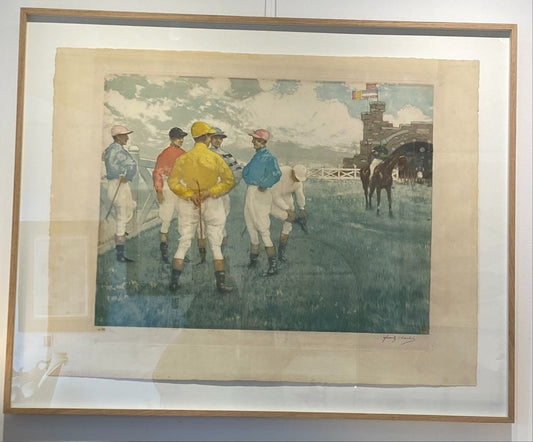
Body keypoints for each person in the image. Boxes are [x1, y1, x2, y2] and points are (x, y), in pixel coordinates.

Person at [167, 121, 235, 293]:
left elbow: (173, 182)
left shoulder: (183, 159)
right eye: (210, 136)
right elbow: (229, 181)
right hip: (211, 202)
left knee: (184, 242)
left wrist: (189, 194)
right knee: (216, 245)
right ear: (206, 137)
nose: (211, 139)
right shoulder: (215, 158)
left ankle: (174, 283)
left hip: (189, 202)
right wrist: (210, 191)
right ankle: (220, 285)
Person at [242, 129, 282, 276]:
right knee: (251, 226)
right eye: (253, 139)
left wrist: (264, 183)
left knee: (263, 229)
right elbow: (246, 172)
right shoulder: (256, 156)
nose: (253, 141)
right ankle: (253, 261)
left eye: (256, 139)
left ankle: (273, 266)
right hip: (250, 192)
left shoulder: (269, 157)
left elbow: (276, 174)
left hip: (260, 193)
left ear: (263, 142)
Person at [152, 127, 188, 262]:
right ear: (172, 139)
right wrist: (159, 191)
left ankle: (182, 252)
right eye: (178, 138)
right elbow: (157, 173)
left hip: (181, 187)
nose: (181, 140)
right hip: (168, 187)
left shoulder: (184, 154)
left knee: (184, 218)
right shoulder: (165, 154)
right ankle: (164, 253)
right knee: (166, 219)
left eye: (182, 138)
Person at [103, 124, 138, 262]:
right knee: (122, 219)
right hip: (120, 185)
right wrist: (127, 175)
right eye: (125, 135)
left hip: (111, 185)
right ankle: (120, 254)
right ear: (118, 137)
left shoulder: (109, 149)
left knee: (122, 215)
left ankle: (120, 240)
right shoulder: (119, 151)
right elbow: (132, 165)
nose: (127, 138)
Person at [208, 127, 243, 249]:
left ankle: (221, 251)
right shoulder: (205, 154)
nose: (218, 141)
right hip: (208, 193)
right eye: (215, 138)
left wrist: (226, 188)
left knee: (222, 221)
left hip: (222, 193)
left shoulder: (226, 155)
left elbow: (238, 173)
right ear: (210, 139)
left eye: (220, 138)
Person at [270, 164, 308, 262]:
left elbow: (300, 194)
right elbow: (276, 197)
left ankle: (281, 255)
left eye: (299, 179)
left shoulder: (298, 182)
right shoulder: (280, 173)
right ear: (293, 172)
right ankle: (298, 221)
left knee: (287, 226)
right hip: (272, 198)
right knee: (286, 216)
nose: (297, 180)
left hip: (287, 198)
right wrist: (287, 210)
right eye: (296, 178)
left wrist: (302, 207)